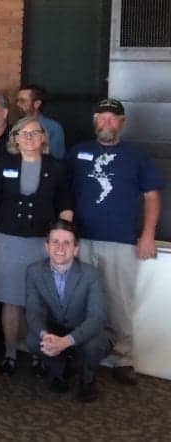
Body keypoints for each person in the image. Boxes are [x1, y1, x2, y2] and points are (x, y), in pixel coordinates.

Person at [65, 98, 165, 385]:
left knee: (119, 302)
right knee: (79, 300)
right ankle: (79, 352)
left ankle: (122, 358)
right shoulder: (78, 152)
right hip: (81, 240)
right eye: (102, 117)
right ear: (95, 121)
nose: (107, 123)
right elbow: (64, 191)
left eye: (113, 118)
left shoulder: (137, 155)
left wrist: (148, 235)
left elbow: (152, 197)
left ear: (122, 122)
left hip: (121, 240)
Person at [0, 116, 73, 376]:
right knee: (10, 300)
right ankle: (10, 352)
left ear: (44, 137)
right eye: (23, 133)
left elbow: (65, 204)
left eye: (35, 133)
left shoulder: (56, 167)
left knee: (39, 300)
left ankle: (37, 352)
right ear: (15, 138)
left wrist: (62, 240)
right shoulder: (3, 164)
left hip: (40, 242)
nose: (29, 137)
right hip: (6, 240)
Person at [26, 220, 109, 402]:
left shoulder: (91, 275)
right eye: (55, 242)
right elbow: (33, 312)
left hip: (85, 331)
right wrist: (45, 335)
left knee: (97, 343)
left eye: (67, 243)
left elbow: (97, 318)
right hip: (55, 329)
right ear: (47, 246)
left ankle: (88, 379)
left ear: (76, 249)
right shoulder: (33, 271)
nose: (60, 248)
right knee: (33, 339)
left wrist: (66, 342)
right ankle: (60, 373)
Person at [16, 85, 65, 159]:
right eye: (17, 101)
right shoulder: (15, 127)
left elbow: (56, 159)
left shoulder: (53, 128)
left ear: (37, 104)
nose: (18, 104)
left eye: (23, 101)